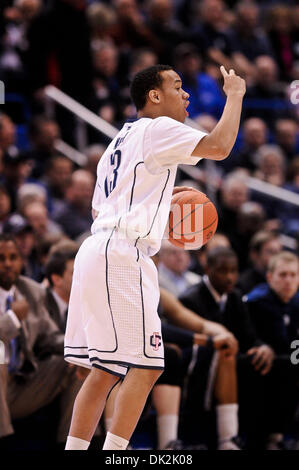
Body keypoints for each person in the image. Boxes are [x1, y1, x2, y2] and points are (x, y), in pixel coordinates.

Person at [64, 63, 246, 451]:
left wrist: (160, 208)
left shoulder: (121, 140)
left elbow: (105, 209)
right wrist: (235, 95)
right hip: (122, 255)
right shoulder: (158, 128)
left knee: (104, 372)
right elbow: (220, 146)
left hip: (98, 249)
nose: (187, 95)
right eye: (177, 87)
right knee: (147, 367)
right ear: (154, 96)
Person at [0, 233, 79, 445]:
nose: (7, 264)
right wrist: (12, 319)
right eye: (1, 258)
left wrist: (80, 346)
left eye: (13, 257)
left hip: (22, 383)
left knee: (78, 362)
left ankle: (73, 444)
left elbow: (50, 337)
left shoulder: (32, 292)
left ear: (21, 261)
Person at [245, 251, 299, 449]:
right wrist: (260, 344)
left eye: (293, 275)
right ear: (270, 277)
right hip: (259, 363)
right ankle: (271, 437)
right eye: (283, 275)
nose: (288, 280)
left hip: (286, 359)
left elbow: (294, 342)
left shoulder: (296, 302)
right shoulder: (256, 302)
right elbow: (246, 335)